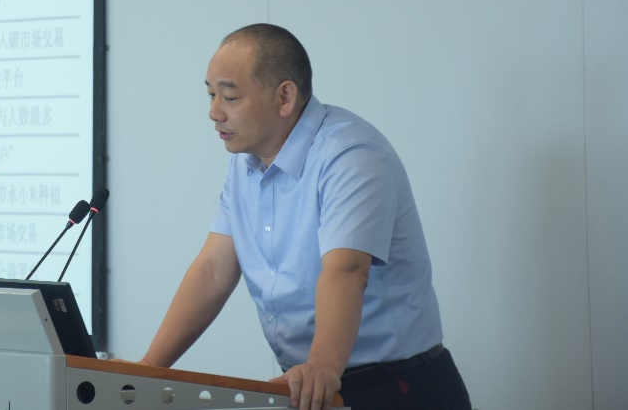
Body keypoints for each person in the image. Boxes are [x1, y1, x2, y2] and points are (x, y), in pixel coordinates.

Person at [138, 23, 471, 410]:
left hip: (395, 386)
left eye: (229, 97)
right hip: (311, 387)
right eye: (211, 94)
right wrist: (146, 371)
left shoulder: (350, 155)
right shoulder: (244, 163)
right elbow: (214, 269)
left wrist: (322, 368)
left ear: (284, 97)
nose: (214, 113)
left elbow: (347, 269)